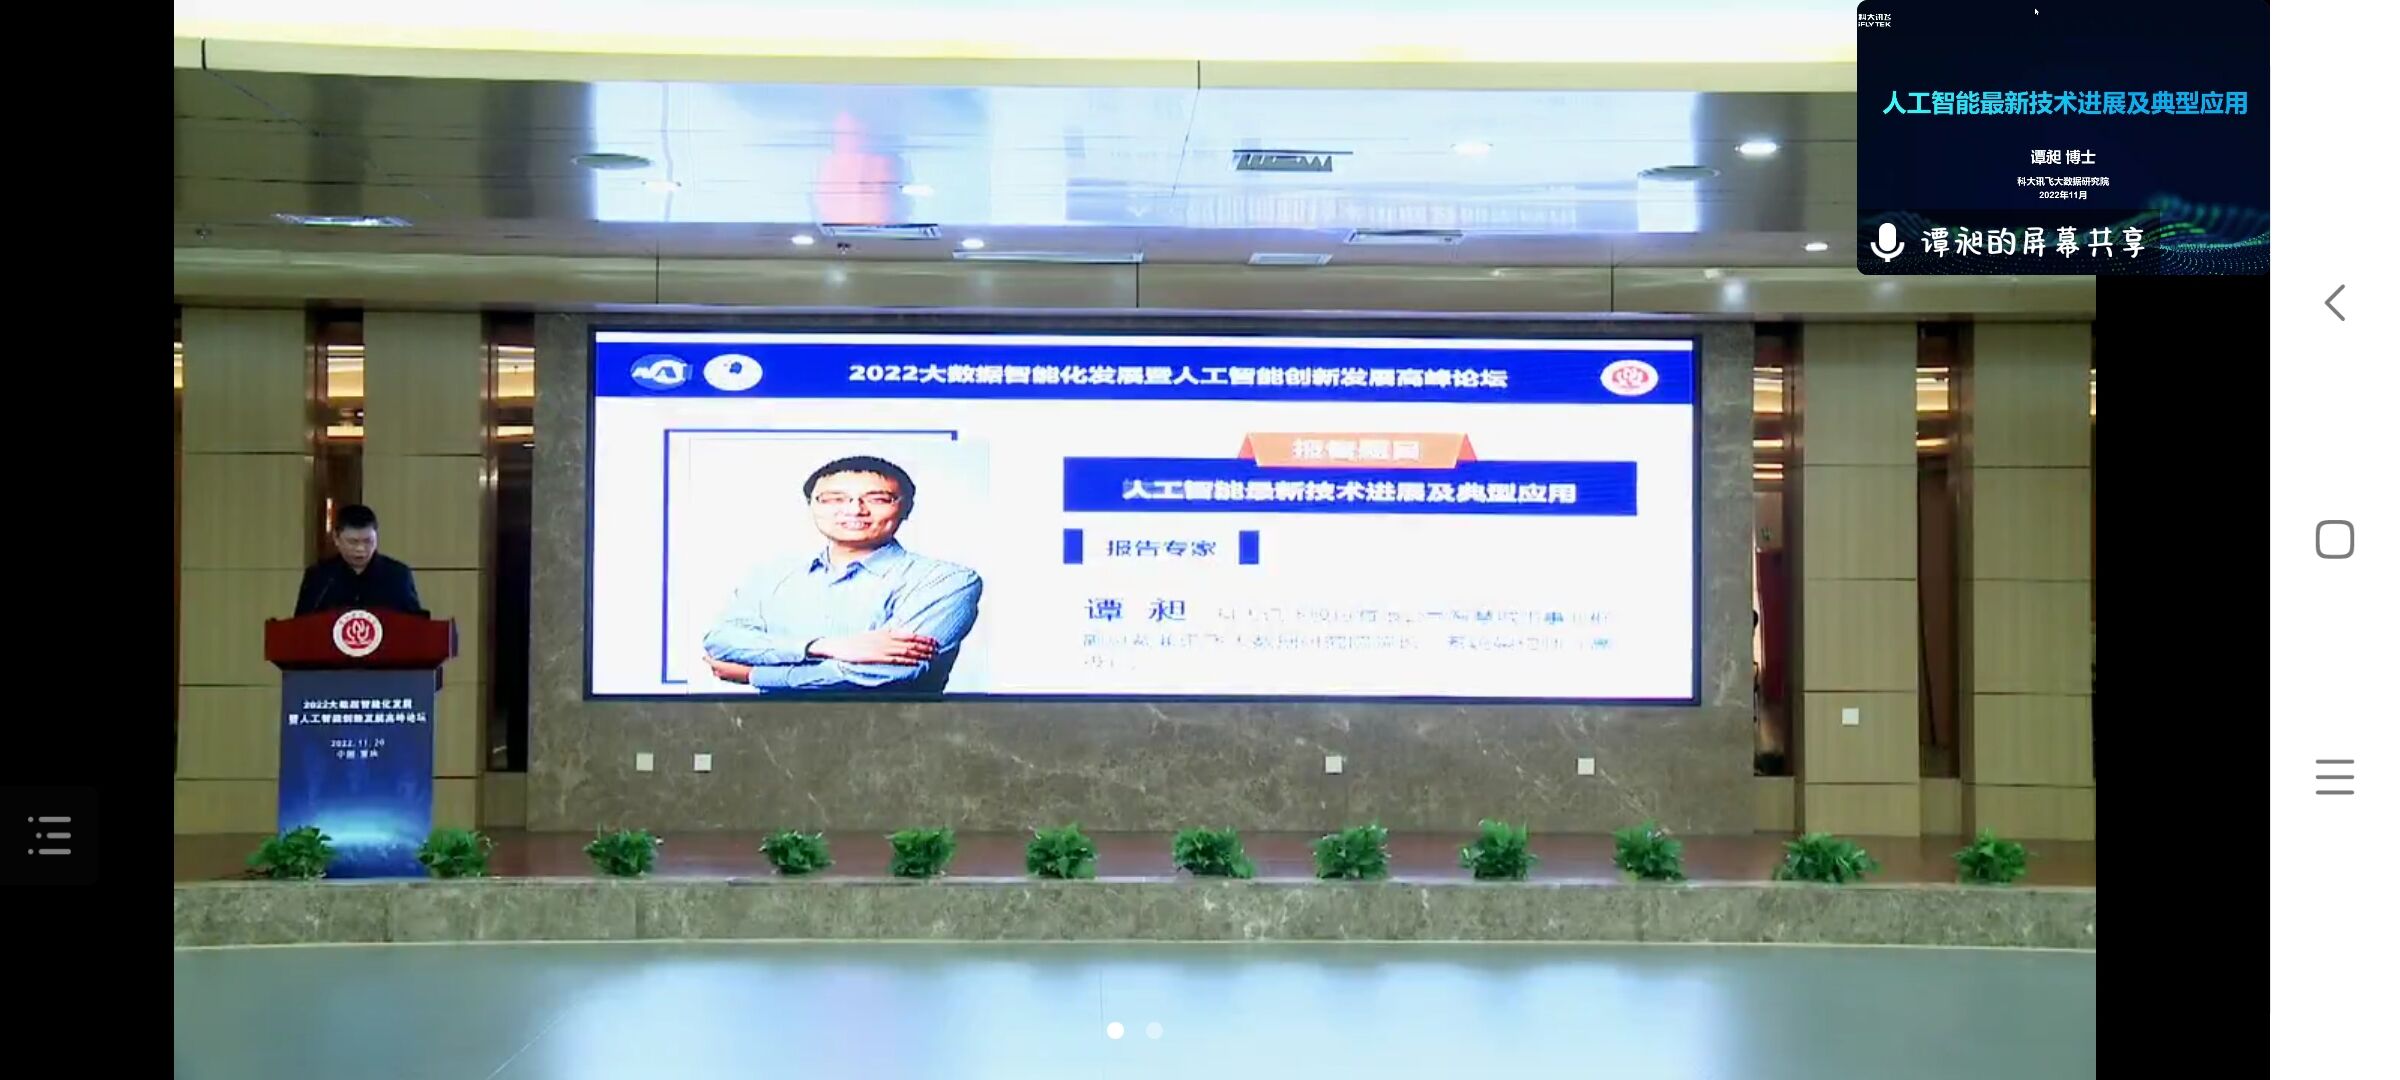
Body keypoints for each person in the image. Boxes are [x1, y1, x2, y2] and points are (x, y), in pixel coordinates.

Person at [702, 455, 983, 694]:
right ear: (811, 506)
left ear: (906, 508)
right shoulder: (772, 576)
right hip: (768, 732)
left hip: (898, 734)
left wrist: (755, 675)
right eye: (833, 499)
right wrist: (822, 647)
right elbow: (721, 642)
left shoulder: (946, 580)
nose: (854, 510)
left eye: (877, 498)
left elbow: (890, 672)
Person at [294, 504, 427, 616]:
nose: (360, 549)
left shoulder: (398, 575)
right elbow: (301, 625)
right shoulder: (319, 577)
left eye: (368, 541)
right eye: (353, 542)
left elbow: (415, 625)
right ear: (336, 538)